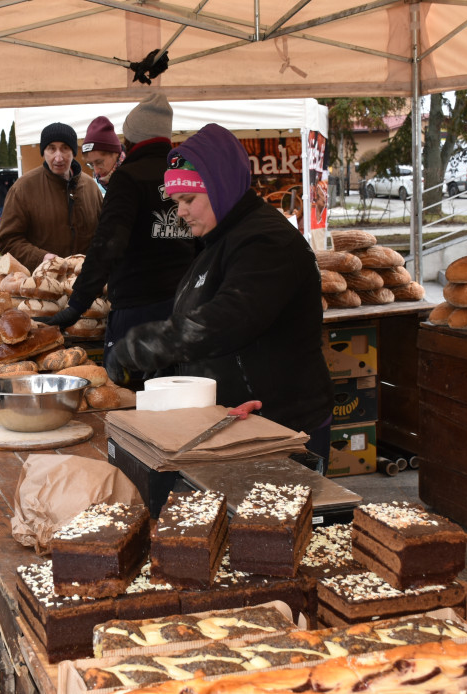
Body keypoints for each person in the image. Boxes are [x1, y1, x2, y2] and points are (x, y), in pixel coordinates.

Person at [105, 123, 334, 463]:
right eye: (177, 201)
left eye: (188, 199)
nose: (180, 211)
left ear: (220, 187)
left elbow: (228, 320)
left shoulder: (267, 242)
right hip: (236, 429)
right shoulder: (216, 243)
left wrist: (146, 345)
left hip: (283, 432)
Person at [40, 95, 197, 365]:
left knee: (131, 395)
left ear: (131, 138)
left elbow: (108, 243)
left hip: (138, 309)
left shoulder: (129, 177)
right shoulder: (183, 173)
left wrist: (78, 304)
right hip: (183, 304)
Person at [0, 122, 101, 271]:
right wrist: (41, 258)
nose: (58, 157)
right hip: (39, 286)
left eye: (65, 148)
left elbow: (102, 234)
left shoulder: (91, 187)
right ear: (43, 152)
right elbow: (8, 240)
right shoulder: (23, 188)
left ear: (73, 152)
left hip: (86, 283)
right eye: (51, 148)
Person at [82, 115, 125, 192]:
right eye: (91, 164)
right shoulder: (99, 185)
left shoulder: (137, 179)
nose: (96, 171)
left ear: (115, 154)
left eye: (99, 162)